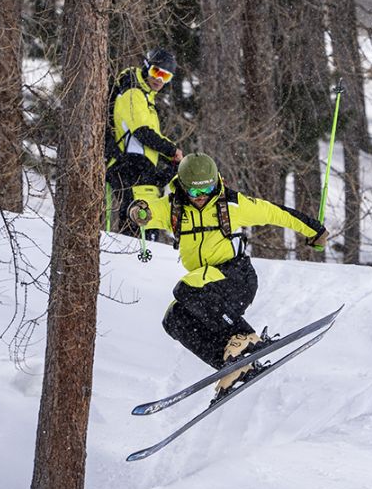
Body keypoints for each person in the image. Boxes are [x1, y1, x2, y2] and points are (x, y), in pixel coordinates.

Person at [128, 153, 328, 399]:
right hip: (207, 287)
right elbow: (146, 210)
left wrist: (314, 231)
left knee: (185, 289)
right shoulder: (173, 209)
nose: (202, 198)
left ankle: (246, 336)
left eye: (208, 189)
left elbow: (275, 212)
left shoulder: (231, 205)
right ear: (182, 187)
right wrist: (139, 211)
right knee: (174, 318)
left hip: (236, 278)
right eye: (194, 192)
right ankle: (233, 366)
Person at [105, 48, 183, 236]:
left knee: (148, 216)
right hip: (128, 164)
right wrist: (172, 150)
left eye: (166, 77)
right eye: (157, 72)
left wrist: (174, 159)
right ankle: (135, 259)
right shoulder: (133, 94)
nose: (159, 80)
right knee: (140, 218)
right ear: (147, 67)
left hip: (140, 165)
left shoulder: (146, 98)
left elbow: (149, 141)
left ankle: (141, 257)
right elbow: (142, 133)